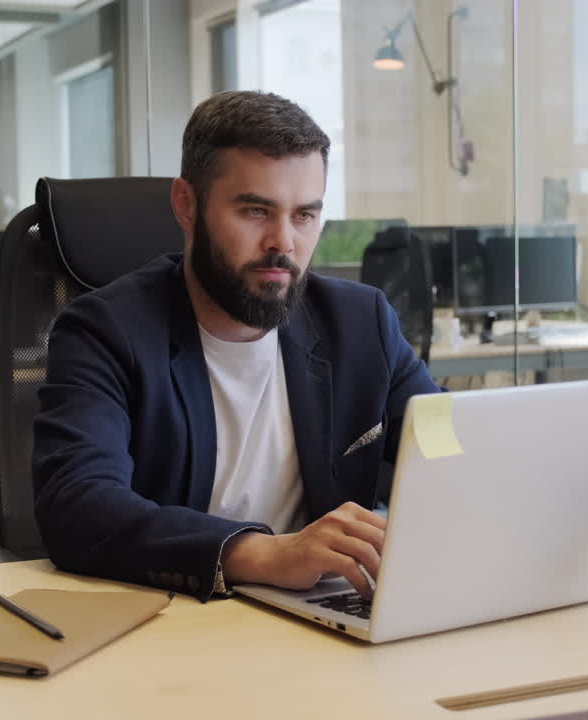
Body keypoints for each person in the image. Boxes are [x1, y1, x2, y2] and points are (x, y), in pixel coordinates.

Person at [33, 90, 442, 602]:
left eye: (304, 216)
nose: (283, 242)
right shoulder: (106, 331)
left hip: (325, 617)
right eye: (255, 211)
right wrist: (263, 555)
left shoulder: (362, 322)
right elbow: (78, 506)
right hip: (175, 623)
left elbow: (449, 446)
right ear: (187, 205)